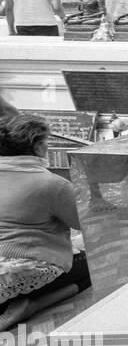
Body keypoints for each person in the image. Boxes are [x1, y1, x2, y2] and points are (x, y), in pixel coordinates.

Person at [0, 114, 86, 329]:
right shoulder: (51, 184)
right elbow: (83, 222)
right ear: (37, 147)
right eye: (46, 143)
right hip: (28, 264)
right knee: (92, 267)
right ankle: (33, 305)